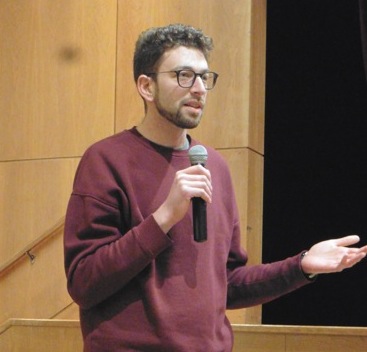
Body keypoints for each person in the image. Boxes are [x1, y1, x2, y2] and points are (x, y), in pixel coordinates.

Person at [63, 23, 367, 352]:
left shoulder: (214, 167)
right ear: (146, 87)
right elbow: (84, 282)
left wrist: (301, 265)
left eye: (204, 77)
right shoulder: (106, 161)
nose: (198, 89)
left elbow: (229, 284)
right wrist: (164, 217)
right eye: (183, 75)